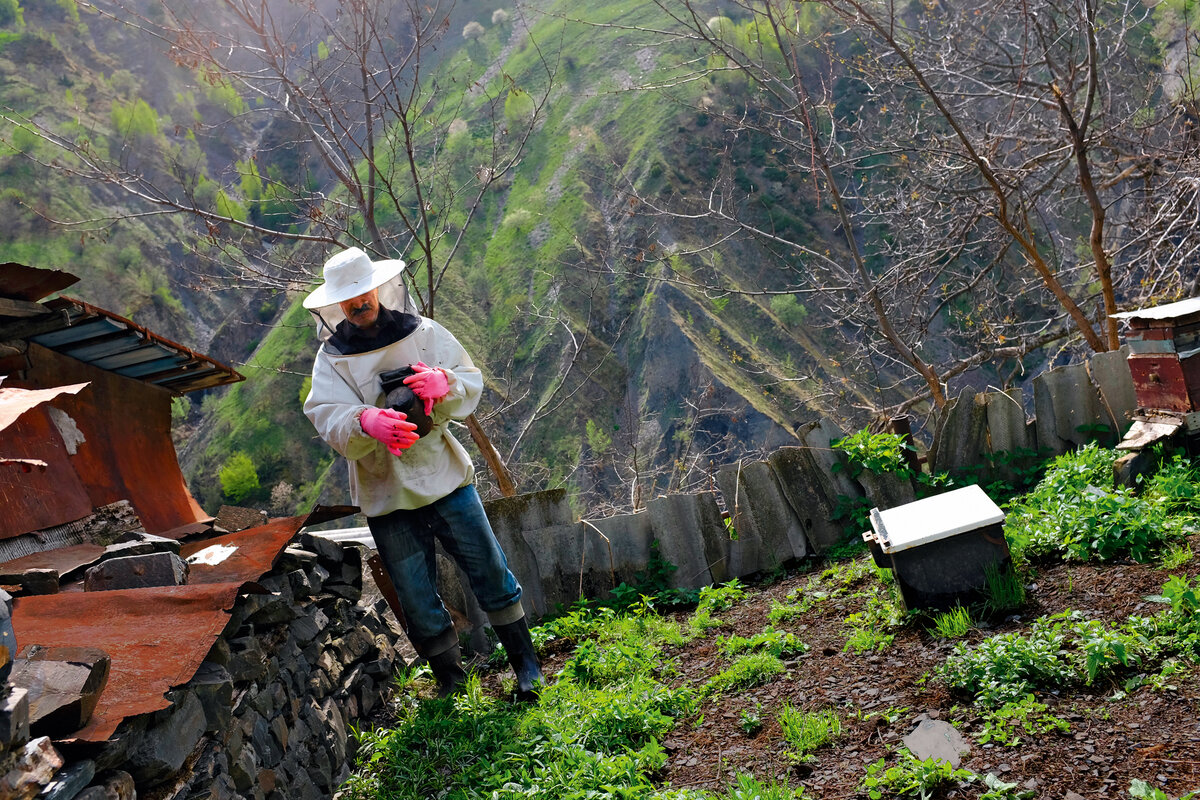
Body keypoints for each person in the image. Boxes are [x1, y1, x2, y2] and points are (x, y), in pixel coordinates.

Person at [302, 246, 544, 700]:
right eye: (348, 299)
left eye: (363, 294)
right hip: (385, 489)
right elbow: (325, 414)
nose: (358, 304)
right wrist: (363, 421)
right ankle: (453, 684)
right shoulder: (331, 360)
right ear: (335, 304)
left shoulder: (424, 332)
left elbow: (469, 380)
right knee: (415, 596)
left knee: (490, 570)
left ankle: (527, 666)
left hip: (444, 476)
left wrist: (444, 383)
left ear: (377, 288)